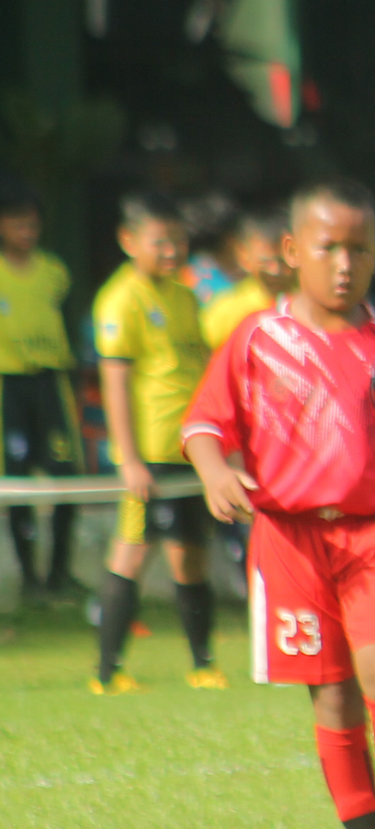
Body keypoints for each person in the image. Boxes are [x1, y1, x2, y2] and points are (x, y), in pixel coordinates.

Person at [181, 178, 375, 829]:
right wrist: (214, 471)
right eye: (329, 247)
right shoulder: (256, 339)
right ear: (292, 251)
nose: (344, 263)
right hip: (291, 545)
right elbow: (204, 423)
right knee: (333, 699)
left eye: (359, 249)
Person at [91, 192, 219, 693]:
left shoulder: (185, 297)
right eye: (160, 242)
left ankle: (203, 663)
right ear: (129, 242)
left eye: (179, 241)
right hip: (148, 457)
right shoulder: (121, 299)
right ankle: (107, 671)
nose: (172, 251)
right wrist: (129, 458)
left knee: (191, 556)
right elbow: (115, 383)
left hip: (189, 451)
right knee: (132, 553)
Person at [0, 180, 84, 603]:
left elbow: (68, 321)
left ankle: (59, 574)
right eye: (17, 223)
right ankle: (30, 579)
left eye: (32, 224)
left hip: (51, 382)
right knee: (16, 482)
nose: (26, 232)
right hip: (8, 386)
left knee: (66, 478)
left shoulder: (54, 272)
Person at [200, 208, 294, 350]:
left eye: (282, 261)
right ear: (244, 255)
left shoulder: (310, 303)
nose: (275, 270)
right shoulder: (225, 311)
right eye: (265, 262)